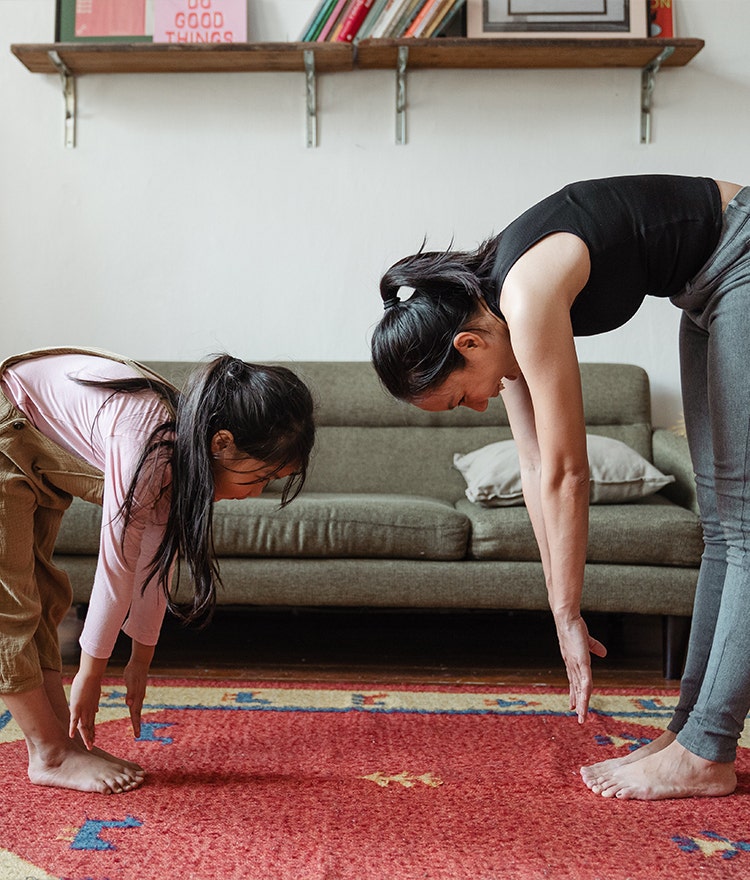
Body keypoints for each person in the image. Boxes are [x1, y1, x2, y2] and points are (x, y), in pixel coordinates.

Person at [370, 174, 749, 801]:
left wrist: (571, 612)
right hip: (704, 288)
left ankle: (708, 749)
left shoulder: (524, 299)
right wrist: (556, 604)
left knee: (742, 524)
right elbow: (533, 461)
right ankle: (689, 733)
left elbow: (568, 471)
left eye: (462, 396)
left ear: (468, 345)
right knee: (722, 525)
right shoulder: (497, 323)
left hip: (740, 250)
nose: (476, 405)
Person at [0, 347, 314, 795]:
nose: (256, 492)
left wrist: (140, 660)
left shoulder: (181, 456)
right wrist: (91, 673)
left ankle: (64, 744)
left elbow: (153, 563)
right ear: (221, 443)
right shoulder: (151, 445)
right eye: (260, 476)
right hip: (7, 430)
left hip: (31, 451)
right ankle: (49, 753)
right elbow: (117, 563)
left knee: (43, 594)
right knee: (7, 604)